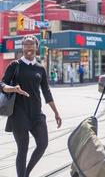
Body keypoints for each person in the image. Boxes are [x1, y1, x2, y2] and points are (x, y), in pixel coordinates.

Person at [0, 35, 62, 177]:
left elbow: (46, 91)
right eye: (25, 44)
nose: (28, 47)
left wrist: (56, 112)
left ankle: (26, 174)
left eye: (31, 44)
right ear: (22, 47)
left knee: (43, 144)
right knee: (23, 149)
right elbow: (2, 84)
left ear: (36, 47)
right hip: (18, 113)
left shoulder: (40, 68)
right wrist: (13, 88)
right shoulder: (15, 65)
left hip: (36, 113)